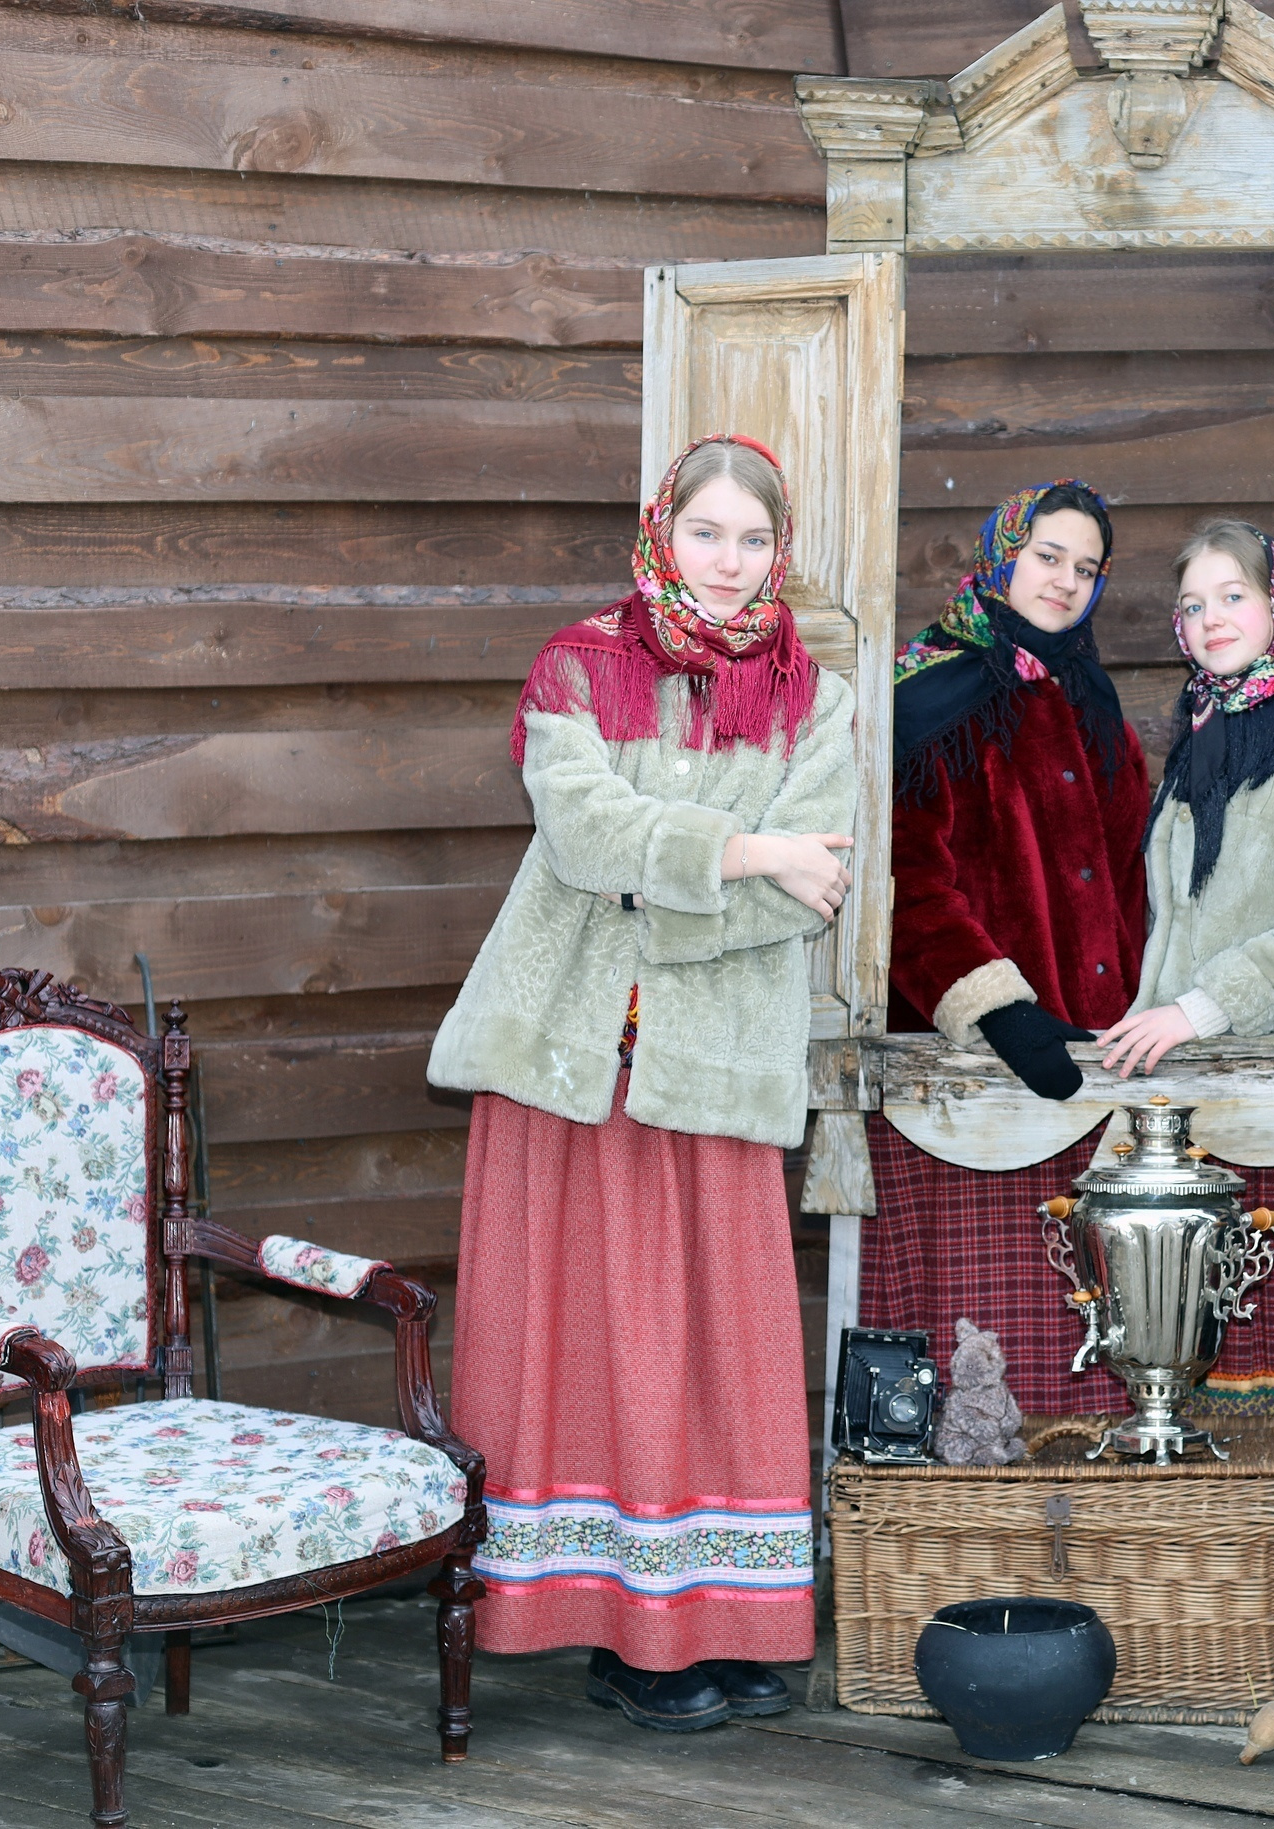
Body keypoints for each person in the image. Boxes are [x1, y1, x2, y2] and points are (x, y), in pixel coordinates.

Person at [430, 434, 858, 1733]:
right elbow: (580, 832)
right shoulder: (579, 667)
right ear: (661, 530)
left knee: (712, 1353)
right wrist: (746, 848)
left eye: (752, 540)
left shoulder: (816, 700)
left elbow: (814, 884)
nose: (727, 564)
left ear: (779, 552)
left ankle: (718, 1625)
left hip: (709, 1061)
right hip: (565, 1066)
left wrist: (670, 881)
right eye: (706, 533)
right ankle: (618, 1635)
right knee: (585, 1350)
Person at [1097, 519, 1274, 1563]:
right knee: (1169, 1349)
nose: (1211, 620)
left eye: (1233, 598)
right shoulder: (1203, 738)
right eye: (1194, 605)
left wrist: (1200, 1008)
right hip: (1181, 1103)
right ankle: (1191, 1585)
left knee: (1273, 1358)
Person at [861, 480, 1149, 1415]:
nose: (1065, 582)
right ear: (1002, 556)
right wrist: (999, 1009)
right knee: (986, 1332)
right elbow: (907, 878)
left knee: (1091, 1333)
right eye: (1047, 557)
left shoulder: (1091, 699)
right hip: (976, 1079)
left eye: (1086, 568)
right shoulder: (930, 695)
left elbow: (1133, 876)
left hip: (1096, 1068)